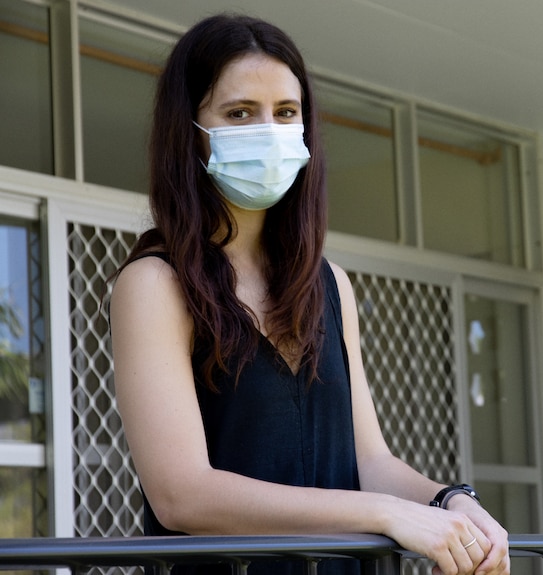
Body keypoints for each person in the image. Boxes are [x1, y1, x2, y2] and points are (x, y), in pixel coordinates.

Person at [109, 12, 510, 575]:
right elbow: (182, 494)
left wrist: (451, 502)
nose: (268, 131)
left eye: (286, 113)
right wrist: (382, 514)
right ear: (188, 128)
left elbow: (369, 460)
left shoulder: (330, 285)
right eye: (240, 112)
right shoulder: (154, 284)